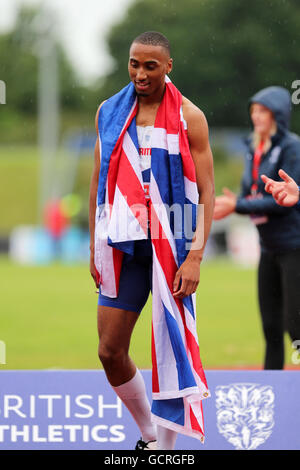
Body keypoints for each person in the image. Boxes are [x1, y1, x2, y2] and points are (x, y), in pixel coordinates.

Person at [89, 32, 214, 450]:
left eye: (150, 66)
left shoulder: (189, 117)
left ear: (168, 67)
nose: (140, 74)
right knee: (110, 350)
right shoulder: (109, 112)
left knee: (170, 347)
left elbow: (208, 190)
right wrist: (95, 244)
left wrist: (195, 255)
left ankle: (166, 450)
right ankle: (148, 435)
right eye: (134, 64)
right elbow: (98, 178)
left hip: (172, 250)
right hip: (124, 247)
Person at [213, 86, 300, 370]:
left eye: (262, 111)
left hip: (293, 247)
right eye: (253, 111)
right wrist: (235, 201)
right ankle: (271, 388)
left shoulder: (291, 147)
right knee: (270, 327)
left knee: (295, 327)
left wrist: (236, 205)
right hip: (268, 247)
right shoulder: (253, 147)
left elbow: (281, 201)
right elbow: (248, 193)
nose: (256, 117)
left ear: (278, 115)